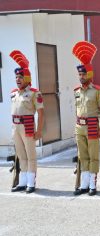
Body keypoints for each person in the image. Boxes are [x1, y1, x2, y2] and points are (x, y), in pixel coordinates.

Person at [72, 41, 100, 196]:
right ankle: (84, 184)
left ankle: (93, 184)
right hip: (79, 126)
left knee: (93, 156)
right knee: (82, 156)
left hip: (92, 125)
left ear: (90, 74)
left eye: (84, 74)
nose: (81, 77)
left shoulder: (98, 90)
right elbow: (77, 109)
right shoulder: (76, 91)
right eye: (79, 74)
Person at [9, 50, 44, 194]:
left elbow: (41, 113)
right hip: (15, 127)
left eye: (20, 77)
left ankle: (31, 182)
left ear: (27, 78)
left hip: (28, 126)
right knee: (21, 155)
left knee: (30, 155)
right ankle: (23, 182)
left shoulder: (34, 93)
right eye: (16, 77)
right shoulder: (14, 93)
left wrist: (39, 130)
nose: (17, 79)